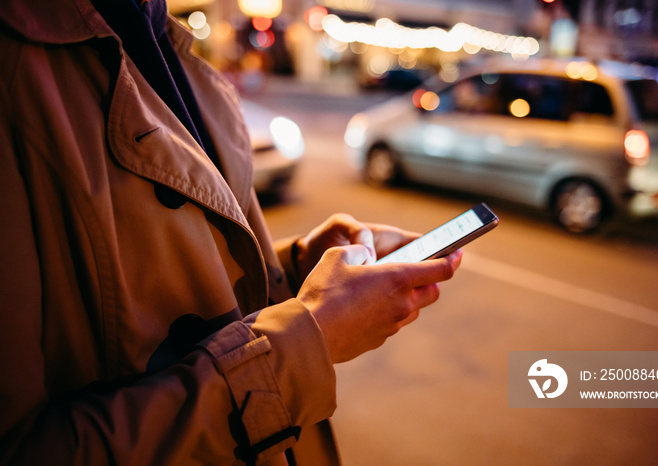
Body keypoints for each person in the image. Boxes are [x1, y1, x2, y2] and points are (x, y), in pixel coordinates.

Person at [0, 0, 462, 464]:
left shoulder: (167, 42)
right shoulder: (19, 69)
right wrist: (310, 337)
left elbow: (160, 275)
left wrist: (296, 266)